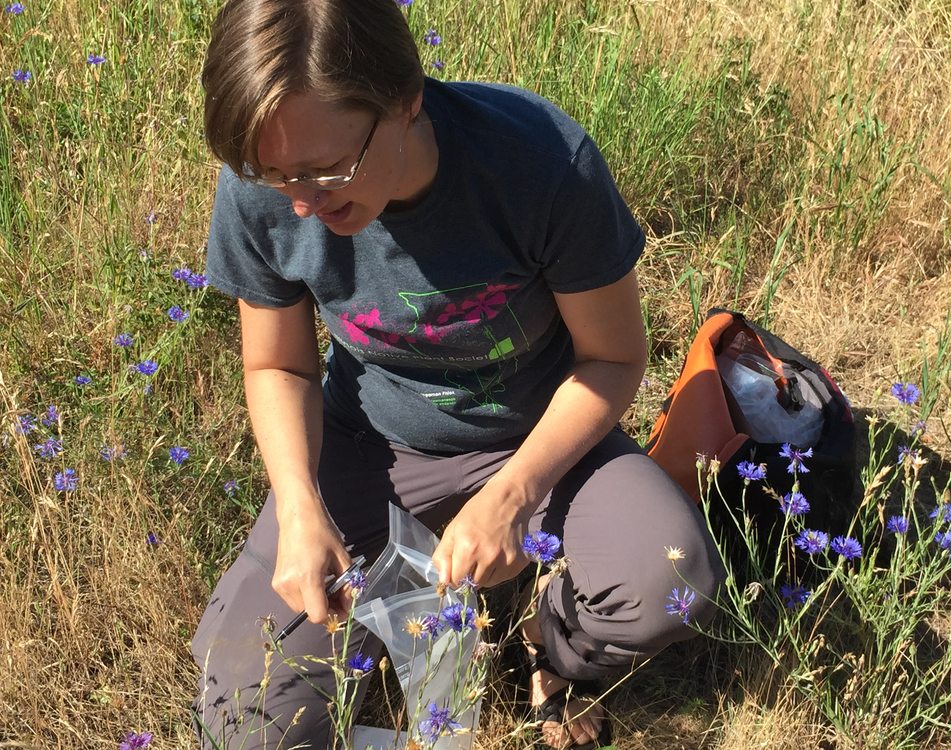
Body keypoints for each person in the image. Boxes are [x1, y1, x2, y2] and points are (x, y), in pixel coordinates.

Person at [190, 0, 724, 747]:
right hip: (369, 440)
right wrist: (300, 504)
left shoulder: (537, 161)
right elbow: (278, 364)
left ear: (405, 101)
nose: (303, 204)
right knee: (248, 729)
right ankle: (400, 593)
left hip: (538, 437)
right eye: (277, 177)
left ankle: (550, 640)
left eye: (327, 170)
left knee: (669, 587)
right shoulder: (266, 177)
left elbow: (612, 358)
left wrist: (513, 491)